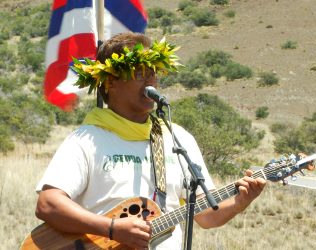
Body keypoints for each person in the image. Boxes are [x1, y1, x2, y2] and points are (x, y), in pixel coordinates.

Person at [35, 32, 267, 250]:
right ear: (111, 82)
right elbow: (48, 204)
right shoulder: (87, 140)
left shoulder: (177, 138)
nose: (150, 82)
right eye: (138, 74)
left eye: (153, 73)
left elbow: (206, 216)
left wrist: (239, 202)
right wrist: (112, 228)